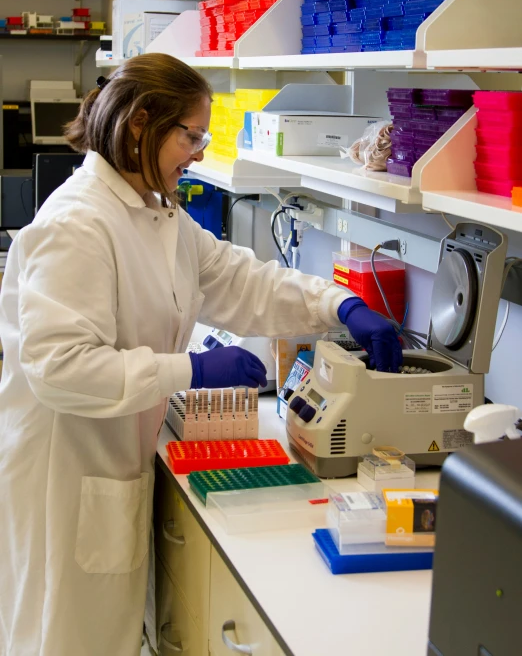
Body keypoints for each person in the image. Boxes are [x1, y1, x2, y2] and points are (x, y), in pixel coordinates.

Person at [0, 53, 401, 656]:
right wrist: (192, 368)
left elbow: (240, 280)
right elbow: (62, 368)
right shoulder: (79, 223)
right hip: (64, 470)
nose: (198, 152)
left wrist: (337, 305)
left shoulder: (156, 213)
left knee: (103, 633)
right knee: (64, 636)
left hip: (112, 460)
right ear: (141, 122)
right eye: (191, 136)